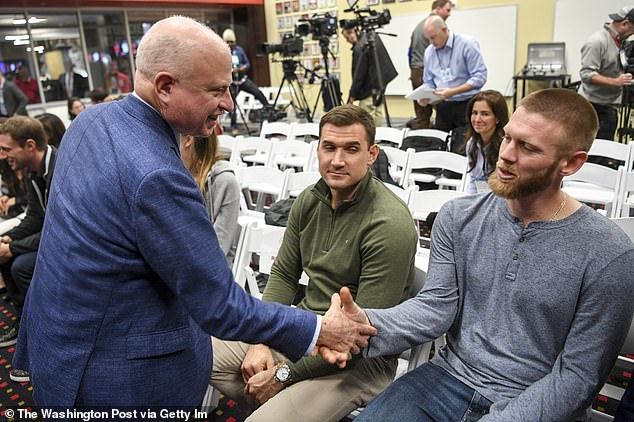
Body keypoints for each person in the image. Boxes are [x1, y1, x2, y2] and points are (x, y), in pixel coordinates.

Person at [13, 16, 374, 409]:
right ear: (166, 87)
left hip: (62, 348)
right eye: (217, 90)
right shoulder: (157, 176)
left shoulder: (90, 122)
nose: (228, 103)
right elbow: (220, 306)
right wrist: (320, 329)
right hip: (120, 379)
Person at [340, 88, 634, 421]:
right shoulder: (458, 217)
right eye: (508, 138)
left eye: (527, 147)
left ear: (571, 163)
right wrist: (367, 323)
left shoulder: (609, 252)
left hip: (535, 399)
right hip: (448, 378)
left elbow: (578, 377)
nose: (506, 154)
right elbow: (436, 308)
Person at [211, 104, 418, 421]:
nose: (337, 160)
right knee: (190, 352)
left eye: (351, 149)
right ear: (317, 149)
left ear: (372, 154)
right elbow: (282, 274)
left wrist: (283, 375)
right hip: (305, 334)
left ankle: (273, 399)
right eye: (329, 147)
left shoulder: (390, 224)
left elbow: (363, 335)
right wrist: (261, 342)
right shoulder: (310, 200)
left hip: (358, 362)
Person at [0, 116, 56, 385]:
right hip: (53, 239)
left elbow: (59, 227)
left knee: (20, 265)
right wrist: (9, 240)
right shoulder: (35, 172)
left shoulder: (59, 167)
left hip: (75, 247)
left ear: (30, 145)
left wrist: (13, 248)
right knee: (5, 256)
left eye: (7, 150)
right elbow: (35, 217)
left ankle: (44, 338)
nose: (2, 156)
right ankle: (25, 326)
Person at [418, 15, 487, 134]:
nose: (431, 42)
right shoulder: (429, 52)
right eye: (428, 38)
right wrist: (424, 96)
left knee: (465, 145)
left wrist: (453, 91)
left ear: (444, 29)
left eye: (433, 37)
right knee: (441, 143)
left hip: (467, 103)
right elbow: (429, 81)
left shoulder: (467, 44)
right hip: (443, 106)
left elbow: (479, 77)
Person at [180, 133, 240, 264]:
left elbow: (220, 248)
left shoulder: (225, 182)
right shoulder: (174, 176)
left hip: (207, 271)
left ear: (188, 140)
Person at [579, 6, 634, 141]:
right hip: (592, 106)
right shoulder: (597, 42)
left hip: (609, 104)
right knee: (593, 150)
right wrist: (617, 82)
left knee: (605, 148)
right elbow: (586, 74)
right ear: (625, 24)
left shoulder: (620, 42)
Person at [406, 0, 453, 129]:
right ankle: (429, 142)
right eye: (447, 10)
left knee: (422, 113)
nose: (450, 14)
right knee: (438, 110)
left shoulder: (421, 26)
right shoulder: (434, 29)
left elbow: (409, 52)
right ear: (438, 9)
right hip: (425, 71)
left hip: (416, 69)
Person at [342, 23, 397, 126]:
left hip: (369, 88)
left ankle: (370, 140)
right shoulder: (372, 36)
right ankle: (378, 138)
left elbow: (358, 76)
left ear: (353, 32)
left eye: (347, 37)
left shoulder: (360, 48)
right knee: (378, 113)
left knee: (366, 118)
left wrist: (352, 96)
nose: (347, 40)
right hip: (381, 83)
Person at [222, 28, 271, 136]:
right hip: (232, 83)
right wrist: (229, 70)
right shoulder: (223, 53)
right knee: (233, 105)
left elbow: (247, 64)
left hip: (243, 80)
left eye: (232, 42)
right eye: (228, 42)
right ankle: (234, 126)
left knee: (259, 94)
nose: (230, 44)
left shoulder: (240, 50)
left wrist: (241, 68)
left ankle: (268, 119)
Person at [463, 90, 509, 194]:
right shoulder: (471, 144)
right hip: (479, 198)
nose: (477, 119)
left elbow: (506, 188)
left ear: (497, 118)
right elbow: (473, 182)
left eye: (485, 114)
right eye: (474, 113)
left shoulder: (506, 146)